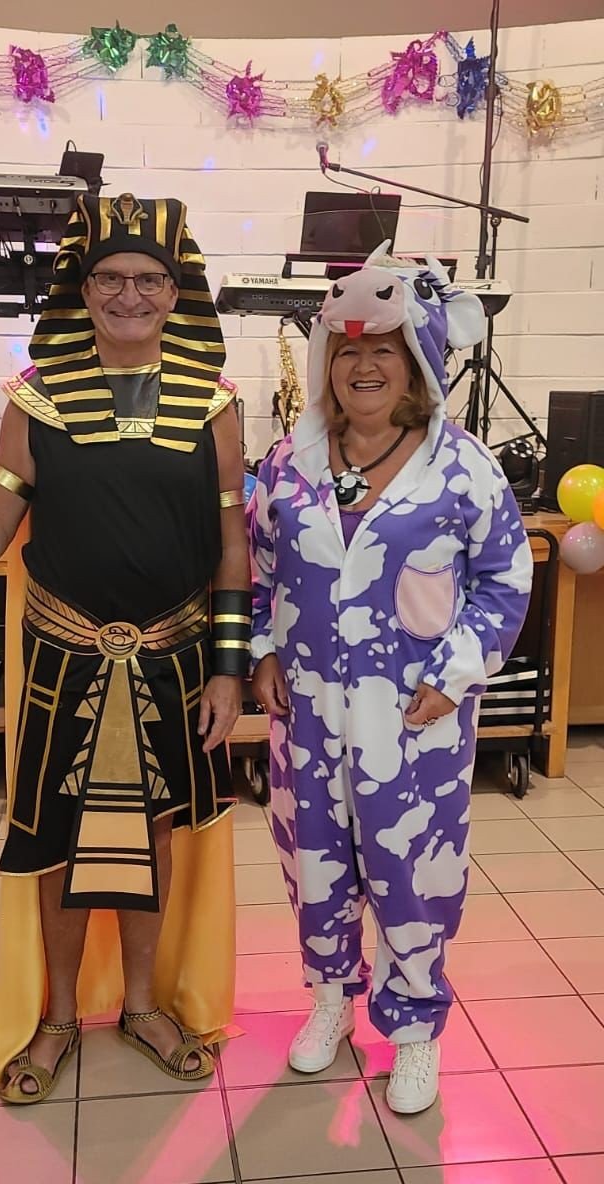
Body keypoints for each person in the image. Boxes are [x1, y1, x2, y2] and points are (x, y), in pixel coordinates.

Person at [0, 192, 251, 1101]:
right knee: (54, 833)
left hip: (177, 655)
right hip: (63, 657)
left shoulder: (215, 404)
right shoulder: (38, 397)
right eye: (110, 278)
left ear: (176, 294)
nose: (129, 295)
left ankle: (142, 1005)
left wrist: (228, 670)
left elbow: (231, 547)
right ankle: (58, 1016)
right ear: (83, 289)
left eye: (148, 280)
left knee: (158, 827)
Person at [248, 252, 533, 1115]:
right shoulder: (290, 461)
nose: (364, 366)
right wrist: (263, 651)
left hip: (414, 716)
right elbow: (260, 569)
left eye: (384, 350)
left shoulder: (463, 466)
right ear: (326, 362)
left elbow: (505, 582)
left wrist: (456, 675)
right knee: (315, 862)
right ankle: (332, 998)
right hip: (308, 711)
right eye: (347, 351)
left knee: (412, 871)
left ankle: (413, 1032)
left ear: (417, 364)